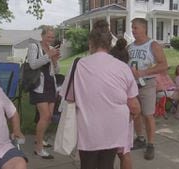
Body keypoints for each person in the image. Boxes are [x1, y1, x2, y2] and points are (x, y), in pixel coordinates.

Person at [60, 20, 141, 169]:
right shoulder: (123, 68)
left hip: (88, 129)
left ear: (91, 43)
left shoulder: (79, 64)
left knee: (88, 165)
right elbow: (134, 105)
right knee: (107, 165)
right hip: (114, 128)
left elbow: (70, 98)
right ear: (109, 45)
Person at [128, 18, 168, 160]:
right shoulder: (130, 46)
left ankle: (151, 144)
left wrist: (145, 72)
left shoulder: (153, 45)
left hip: (147, 84)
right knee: (135, 113)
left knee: (148, 114)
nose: (133, 30)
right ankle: (140, 139)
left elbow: (163, 65)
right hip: (132, 85)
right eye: (132, 28)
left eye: (136, 28)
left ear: (144, 28)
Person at [26, 26, 60, 159]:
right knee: (45, 116)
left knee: (49, 116)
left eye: (52, 37)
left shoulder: (51, 49)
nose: (50, 40)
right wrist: (48, 56)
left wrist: (55, 61)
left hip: (51, 84)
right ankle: (38, 148)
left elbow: (56, 71)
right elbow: (32, 64)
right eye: (48, 37)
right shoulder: (34, 46)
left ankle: (40, 139)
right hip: (38, 85)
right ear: (42, 36)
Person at [109, 38, 134, 169]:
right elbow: (134, 104)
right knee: (124, 153)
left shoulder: (105, 73)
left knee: (107, 154)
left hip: (107, 118)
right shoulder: (127, 72)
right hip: (124, 117)